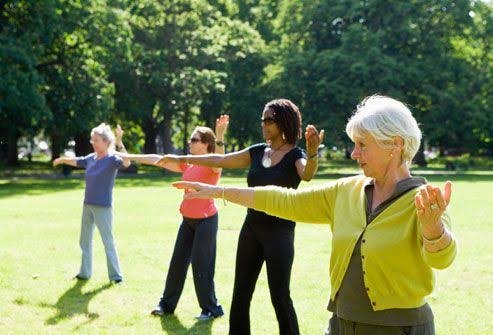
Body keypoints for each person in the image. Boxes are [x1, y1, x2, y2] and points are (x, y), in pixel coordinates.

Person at [172, 95, 457, 335]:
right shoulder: (347, 190)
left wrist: (434, 232)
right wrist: (218, 191)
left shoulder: (424, 199)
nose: (354, 154)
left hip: (399, 329)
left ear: (395, 144)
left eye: (362, 145)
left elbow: (442, 258)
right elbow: (285, 200)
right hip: (341, 324)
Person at [156, 99, 324, 335]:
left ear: (284, 122)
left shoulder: (295, 154)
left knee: (280, 295)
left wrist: (313, 152)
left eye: (269, 120)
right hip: (251, 230)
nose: (263, 124)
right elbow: (219, 160)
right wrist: (182, 159)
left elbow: (306, 174)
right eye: (262, 119)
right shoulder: (257, 152)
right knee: (241, 293)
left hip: (280, 233)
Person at [118, 115, 229, 320]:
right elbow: (156, 159)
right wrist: (131, 155)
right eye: (191, 139)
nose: (190, 142)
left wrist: (220, 135)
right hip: (187, 220)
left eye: (194, 140)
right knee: (177, 263)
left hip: (206, 221)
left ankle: (210, 309)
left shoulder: (212, 164)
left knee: (201, 265)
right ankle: (166, 305)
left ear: (206, 145)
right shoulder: (187, 163)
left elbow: (220, 161)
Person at [53, 123, 131, 284]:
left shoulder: (112, 159)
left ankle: (116, 277)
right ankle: (84, 273)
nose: (93, 142)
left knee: (107, 241)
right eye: (92, 140)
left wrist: (119, 141)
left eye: (96, 140)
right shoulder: (91, 158)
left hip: (103, 207)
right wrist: (63, 160)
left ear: (105, 141)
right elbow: (78, 161)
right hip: (87, 205)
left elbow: (127, 163)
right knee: (84, 240)